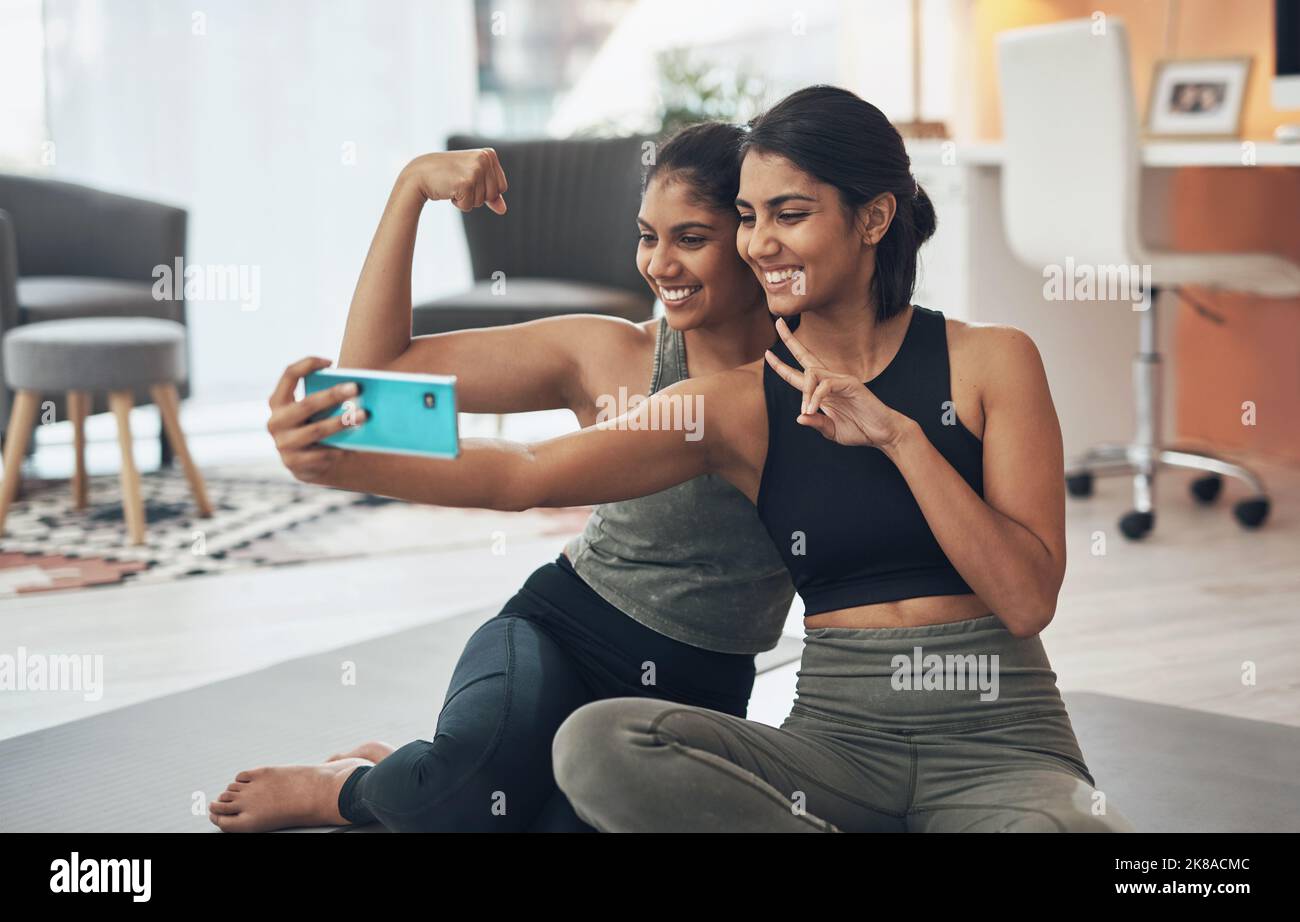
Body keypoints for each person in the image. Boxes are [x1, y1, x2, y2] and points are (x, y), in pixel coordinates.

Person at [231, 85, 1133, 832]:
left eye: (773, 218)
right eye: (748, 218)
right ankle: (377, 786)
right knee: (530, 774)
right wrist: (341, 456)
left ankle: (422, 777)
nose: (755, 243)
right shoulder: (690, 388)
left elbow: (1025, 597)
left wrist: (895, 431)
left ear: (873, 218)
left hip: (890, 712)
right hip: (685, 678)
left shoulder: (960, 363)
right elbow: (515, 466)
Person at [209, 122, 796, 833]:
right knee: (460, 798)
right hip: (560, 631)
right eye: (648, 237)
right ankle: (351, 786)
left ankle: (423, 768)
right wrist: (411, 189)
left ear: (752, 237)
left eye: (690, 238)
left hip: (700, 688)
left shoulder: (806, 383)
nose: (660, 264)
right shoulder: (609, 355)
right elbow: (374, 387)